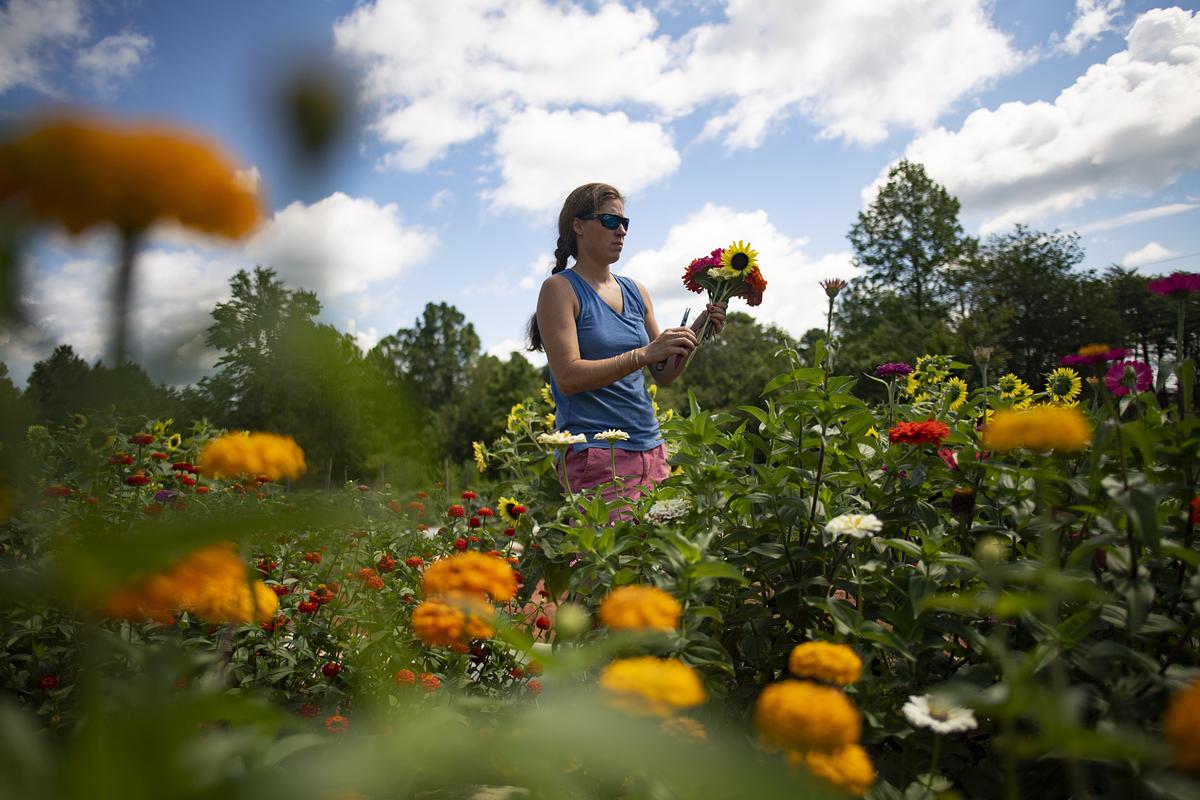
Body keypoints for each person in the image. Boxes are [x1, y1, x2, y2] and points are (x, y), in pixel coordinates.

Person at [527, 182, 726, 506]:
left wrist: (695, 333)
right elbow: (568, 377)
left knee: (654, 556)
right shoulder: (560, 289)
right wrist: (644, 354)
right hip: (596, 454)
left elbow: (663, 374)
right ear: (578, 226)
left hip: (651, 448)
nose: (621, 230)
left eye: (625, 223)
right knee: (613, 557)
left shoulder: (636, 290)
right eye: (609, 221)